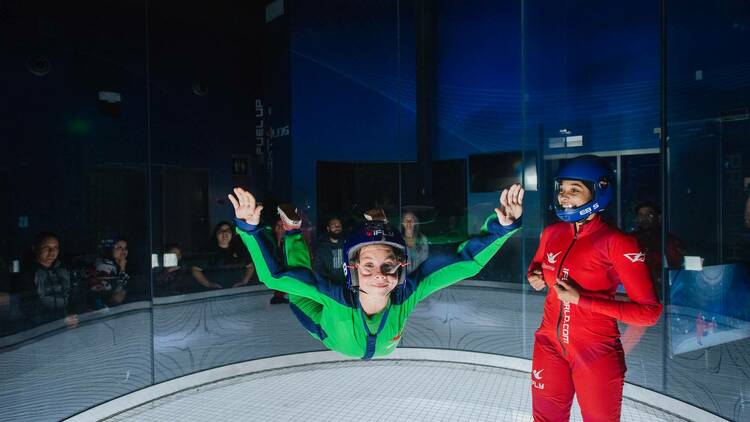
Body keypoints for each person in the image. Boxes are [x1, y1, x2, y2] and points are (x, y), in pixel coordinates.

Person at [228, 184, 523, 360]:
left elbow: (466, 263)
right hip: (326, 324)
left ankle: (377, 230)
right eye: (369, 266)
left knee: (297, 283)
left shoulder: (406, 289)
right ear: (352, 268)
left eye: (389, 265)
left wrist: (502, 228)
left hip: (346, 340)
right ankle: (293, 232)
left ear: (401, 266)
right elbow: (274, 277)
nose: (380, 275)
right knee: (295, 290)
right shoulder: (338, 296)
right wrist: (249, 229)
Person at [527, 156, 662, 421]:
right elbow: (536, 267)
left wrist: (582, 300)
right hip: (548, 345)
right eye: (562, 189)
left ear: (599, 190)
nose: (565, 197)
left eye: (574, 190)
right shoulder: (552, 233)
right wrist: (534, 277)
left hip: (596, 351)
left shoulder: (618, 242)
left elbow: (649, 313)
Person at [18, 232, 80, 328]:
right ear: (34, 249)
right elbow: (27, 309)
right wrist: (60, 320)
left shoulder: (65, 270)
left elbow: (73, 297)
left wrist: (74, 314)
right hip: (39, 330)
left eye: (56, 248)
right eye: (46, 247)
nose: (52, 252)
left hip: (68, 325)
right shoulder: (27, 274)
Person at [630, 201, 685, 293]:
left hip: (662, 291)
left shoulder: (669, 240)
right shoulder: (630, 239)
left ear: (658, 218)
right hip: (634, 288)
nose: (644, 219)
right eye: (641, 215)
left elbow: (675, 267)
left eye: (649, 215)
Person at [191, 221, 255, 290]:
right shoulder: (208, 250)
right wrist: (208, 284)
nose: (224, 233)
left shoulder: (239, 249)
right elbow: (195, 269)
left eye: (227, 230)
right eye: (221, 231)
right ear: (216, 234)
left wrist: (244, 282)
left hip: (237, 291)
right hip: (215, 292)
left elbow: (250, 266)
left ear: (232, 234)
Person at [89, 237, 130, 309]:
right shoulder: (103, 266)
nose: (123, 251)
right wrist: (122, 269)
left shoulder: (119, 264)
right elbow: (116, 291)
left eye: (125, 248)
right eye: (119, 248)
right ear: (111, 249)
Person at [313, 216, 346, 284]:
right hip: (330, 288)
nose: (336, 228)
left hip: (347, 286)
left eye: (338, 225)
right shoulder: (322, 248)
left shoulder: (348, 244)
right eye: (333, 225)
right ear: (328, 228)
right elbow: (318, 268)